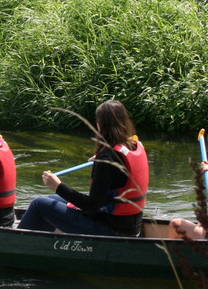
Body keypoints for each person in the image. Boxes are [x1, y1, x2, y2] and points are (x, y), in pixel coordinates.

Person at [16, 100, 149, 237]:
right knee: (52, 199)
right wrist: (101, 159)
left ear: (100, 125)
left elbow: (91, 206)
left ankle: (15, 244)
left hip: (111, 230)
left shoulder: (107, 159)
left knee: (39, 204)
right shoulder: (132, 145)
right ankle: (40, 245)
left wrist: (58, 186)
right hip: (128, 226)